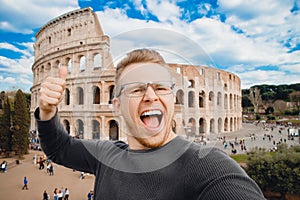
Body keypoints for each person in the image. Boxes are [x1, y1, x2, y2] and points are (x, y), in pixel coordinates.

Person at [35, 49, 266, 199]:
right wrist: (47, 110)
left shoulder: (208, 165)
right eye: (136, 88)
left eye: (161, 87)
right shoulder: (106, 154)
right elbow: (59, 147)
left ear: (172, 99)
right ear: (116, 106)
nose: (150, 96)